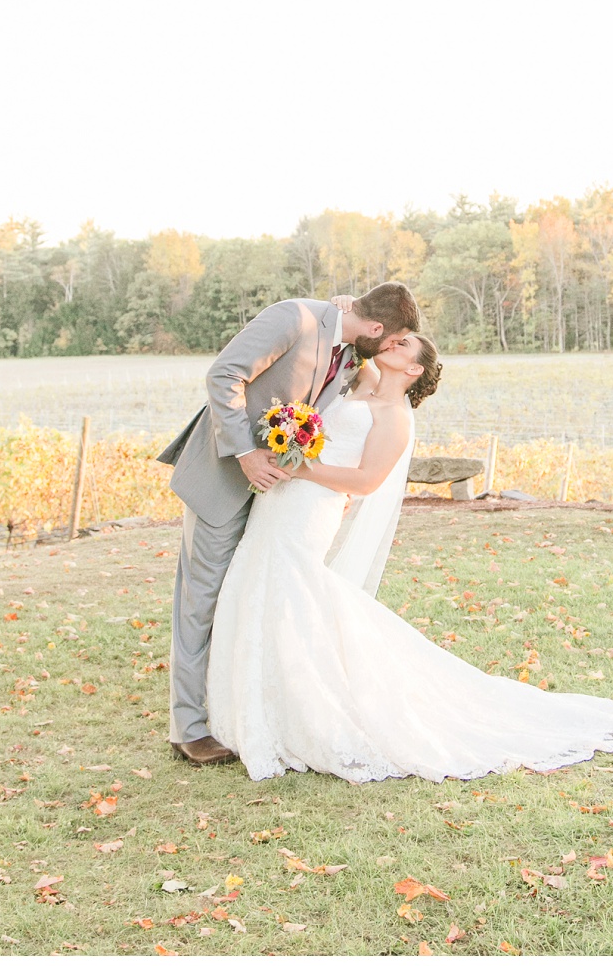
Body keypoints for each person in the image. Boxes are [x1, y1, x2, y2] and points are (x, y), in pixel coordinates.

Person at [205, 334, 613, 781]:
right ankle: (262, 700)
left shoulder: (394, 417)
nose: (392, 343)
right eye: (395, 337)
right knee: (258, 576)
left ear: (414, 369)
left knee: (292, 588)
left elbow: (365, 481)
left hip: (310, 507)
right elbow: (349, 338)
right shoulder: (362, 380)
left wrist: (300, 466)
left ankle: (308, 706)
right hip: (281, 498)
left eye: (403, 344)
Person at [158, 282, 424, 764]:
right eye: (390, 341)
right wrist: (244, 453)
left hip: (279, 499)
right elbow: (224, 375)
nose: (388, 350)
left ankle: (229, 708)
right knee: (201, 601)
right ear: (379, 329)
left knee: (244, 595)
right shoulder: (292, 319)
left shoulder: (350, 358)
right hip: (223, 475)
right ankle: (189, 728)